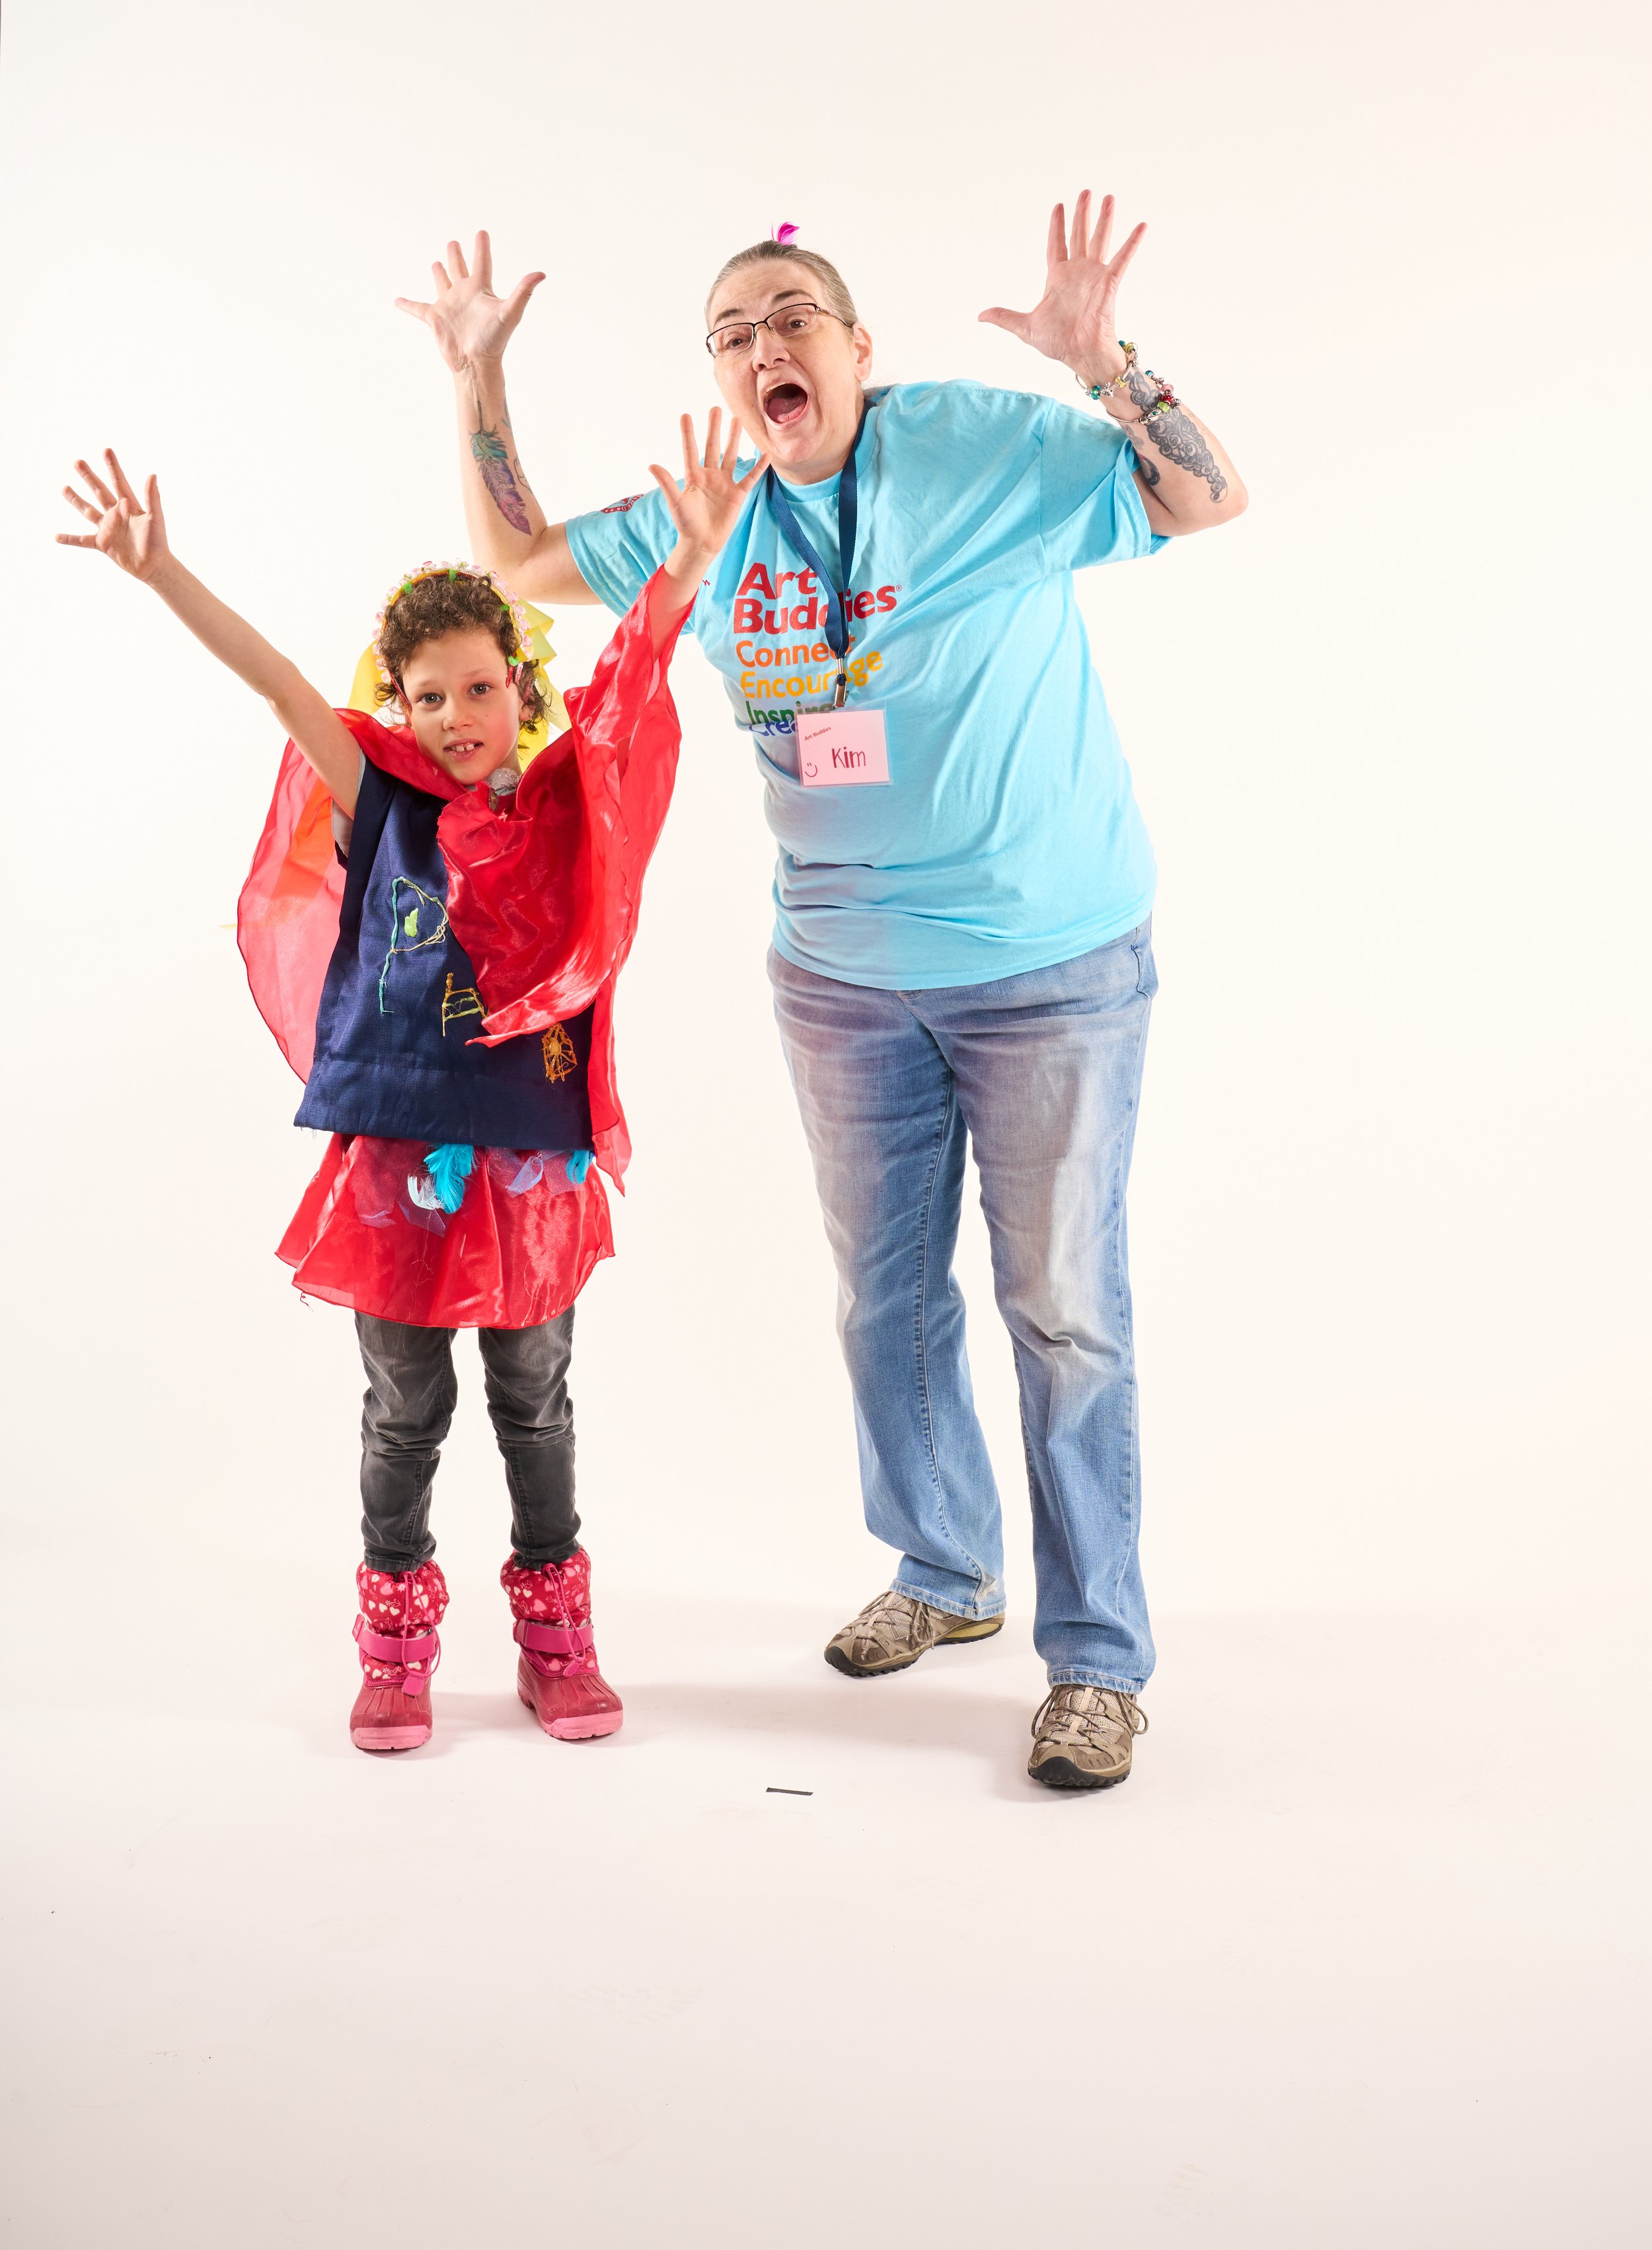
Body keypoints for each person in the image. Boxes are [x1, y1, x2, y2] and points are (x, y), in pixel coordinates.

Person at [396, 195, 1248, 1793]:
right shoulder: (708, 516)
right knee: (883, 1304)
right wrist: (475, 375)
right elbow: (515, 560)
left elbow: (1200, 501)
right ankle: (945, 1568)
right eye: (730, 333)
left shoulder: (977, 448)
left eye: (790, 316)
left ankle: (1094, 1661)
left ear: (858, 347)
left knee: (1063, 1310)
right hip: (844, 984)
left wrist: (1103, 364)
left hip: (1046, 965)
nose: (761, 346)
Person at [57, 418, 762, 1756]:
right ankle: (394, 1653)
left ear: (520, 689)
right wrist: (163, 573)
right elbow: (281, 688)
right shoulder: (380, 798)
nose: (453, 717)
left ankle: (558, 1644)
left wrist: (686, 561)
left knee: (534, 1401)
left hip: (528, 1162)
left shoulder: (562, 801)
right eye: (427, 697)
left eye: (478, 688)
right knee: (404, 1409)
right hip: (399, 1166)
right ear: (399, 705)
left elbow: (631, 681)